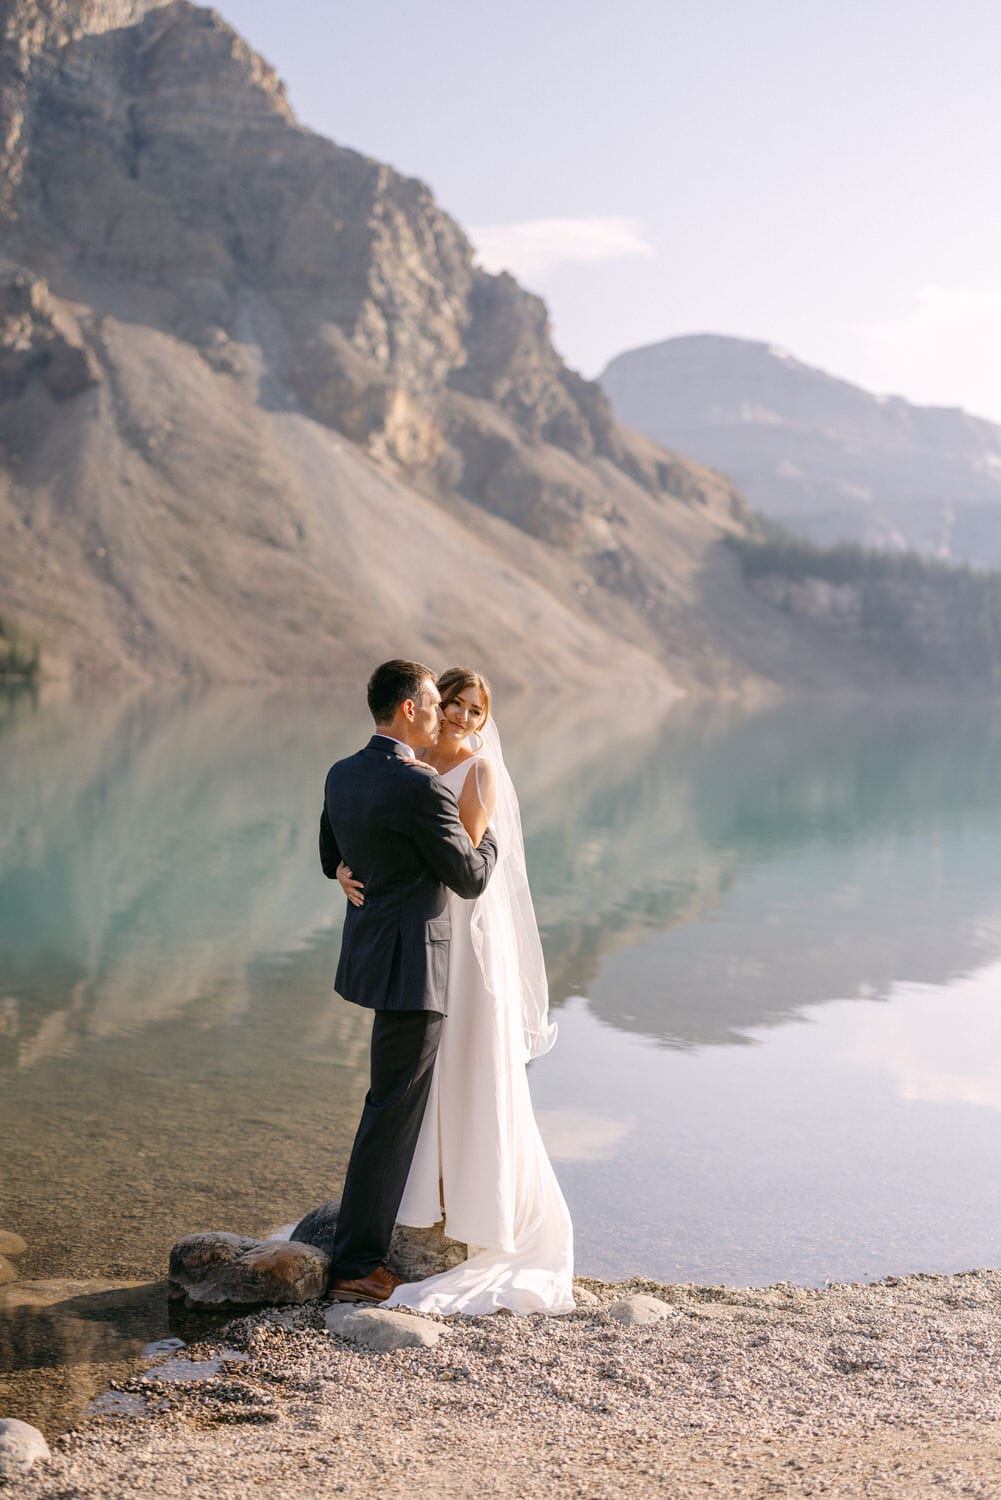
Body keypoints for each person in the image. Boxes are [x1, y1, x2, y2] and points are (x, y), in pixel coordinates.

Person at [336, 667, 575, 1316]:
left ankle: (467, 1199)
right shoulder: (409, 773)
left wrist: (488, 840)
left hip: (460, 944)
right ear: (426, 706)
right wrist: (341, 869)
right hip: (420, 946)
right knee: (405, 1088)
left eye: (475, 710)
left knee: (457, 1065)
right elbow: (356, 837)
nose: (464, 717)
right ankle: (410, 1206)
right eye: (453, 704)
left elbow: (466, 872)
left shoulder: (463, 773)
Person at [319, 659, 498, 1304]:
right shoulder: (422, 787)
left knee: (384, 1106)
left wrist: (345, 872)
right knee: (390, 1115)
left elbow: (327, 856)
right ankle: (355, 1266)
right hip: (415, 968)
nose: (441, 713)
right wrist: (496, 839)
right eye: (433, 702)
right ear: (408, 710)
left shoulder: (343, 773)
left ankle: (355, 1249)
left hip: (371, 958)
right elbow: (471, 877)